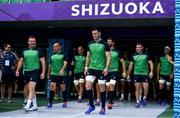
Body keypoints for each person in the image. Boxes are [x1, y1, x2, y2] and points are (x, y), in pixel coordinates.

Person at [84, 28, 111, 115]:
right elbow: (88, 56)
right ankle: (91, 106)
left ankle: (103, 107)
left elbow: (108, 57)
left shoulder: (105, 44)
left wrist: (106, 68)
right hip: (92, 68)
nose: (94, 35)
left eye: (95, 33)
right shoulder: (90, 43)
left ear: (99, 33)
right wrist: (86, 67)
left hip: (101, 69)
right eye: (93, 34)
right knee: (88, 85)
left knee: (102, 88)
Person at [16, 36, 46, 112]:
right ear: (28, 42)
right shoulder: (24, 51)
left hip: (35, 71)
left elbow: (43, 62)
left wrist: (43, 72)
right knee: (31, 89)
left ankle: (28, 105)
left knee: (31, 88)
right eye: (31, 41)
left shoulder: (39, 50)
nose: (32, 42)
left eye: (34, 41)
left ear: (35, 42)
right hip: (26, 72)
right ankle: (35, 106)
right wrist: (17, 70)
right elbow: (21, 61)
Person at [127, 42, 153, 108]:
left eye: (139, 47)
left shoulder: (146, 54)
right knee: (137, 87)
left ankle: (144, 98)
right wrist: (128, 74)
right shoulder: (133, 55)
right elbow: (131, 65)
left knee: (145, 87)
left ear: (142, 48)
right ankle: (137, 102)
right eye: (137, 47)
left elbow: (151, 63)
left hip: (145, 73)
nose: (137, 48)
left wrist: (151, 72)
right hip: (136, 73)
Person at [106, 37, 126, 109]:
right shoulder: (104, 51)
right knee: (107, 87)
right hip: (106, 71)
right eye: (107, 41)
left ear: (113, 43)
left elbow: (123, 62)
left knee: (112, 85)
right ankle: (111, 99)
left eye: (109, 41)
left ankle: (110, 103)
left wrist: (124, 72)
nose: (108, 43)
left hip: (114, 71)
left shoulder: (117, 52)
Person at [46, 42, 68, 108]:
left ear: (59, 47)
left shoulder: (64, 54)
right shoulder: (52, 55)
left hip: (62, 74)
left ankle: (65, 101)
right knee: (52, 88)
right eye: (53, 47)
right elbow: (50, 65)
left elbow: (65, 63)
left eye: (56, 46)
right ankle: (50, 103)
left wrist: (62, 70)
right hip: (53, 74)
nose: (54, 48)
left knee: (63, 88)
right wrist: (48, 73)